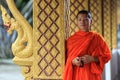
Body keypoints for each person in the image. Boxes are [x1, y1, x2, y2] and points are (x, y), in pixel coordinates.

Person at [63, 10, 112, 80]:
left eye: (85, 19)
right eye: (79, 20)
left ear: (90, 21)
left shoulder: (97, 38)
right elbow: (64, 58)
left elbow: (107, 56)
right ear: (77, 22)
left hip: (91, 75)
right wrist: (72, 61)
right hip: (76, 75)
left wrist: (93, 59)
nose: (82, 22)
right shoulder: (71, 40)